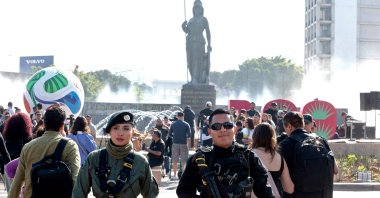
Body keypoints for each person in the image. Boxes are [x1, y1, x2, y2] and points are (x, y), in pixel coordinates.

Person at [177, 108, 274, 197]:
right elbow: (183, 192)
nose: (223, 129)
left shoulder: (248, 156)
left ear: (235, 129)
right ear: (210, 131)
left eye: (228, 125)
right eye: (216, 126)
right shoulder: (199, 159)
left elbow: (265, 192)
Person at [72, 111, 158, 197]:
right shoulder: (93, 158)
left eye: (126, 128)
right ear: (109, 131)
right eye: (116, 128)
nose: (120, 133)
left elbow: (151, 194)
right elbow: (78, 192)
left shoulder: (141, 162)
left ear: (132, 132)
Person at [9, 105, 81, 198]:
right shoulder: (70, 146)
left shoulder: (28, 147)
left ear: (44, 124)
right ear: (62, 126)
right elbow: (76, 180)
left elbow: (17, 182)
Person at [279, 111, 338, 198]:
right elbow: (335, 170)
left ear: (289, 126)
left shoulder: (284, 145)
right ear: (302, 124)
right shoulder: (321, 141)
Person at [250, 123, 294, 197]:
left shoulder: (250, 154)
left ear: (254, 136)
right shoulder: (280, 158)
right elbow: (289, 189)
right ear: (273, 137)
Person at [182, 0, 212, 84]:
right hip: (190, 42)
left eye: (199, 7)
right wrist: (183, 27)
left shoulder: (204, 19)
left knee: (196, 61)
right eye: (196, 7)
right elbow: (187, 30)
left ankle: (195, 79)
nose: (197, 8)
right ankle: (193, 78)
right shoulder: (191, 20)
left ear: (202, 9)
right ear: (193, 9)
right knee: (190, 61)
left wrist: (209, 44)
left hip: (199, 42)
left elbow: (208, 32)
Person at [169, 111, 191, 179]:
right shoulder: (186, 124)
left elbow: (170, 134)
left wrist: (174, 136)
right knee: (184, 160)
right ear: (183, 116)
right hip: (184, 143)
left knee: (175, 160)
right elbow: (189, 136)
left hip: (175, 143)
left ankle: (174, 175)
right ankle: (183, 174)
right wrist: (189, 145)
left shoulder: (173, 124)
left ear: (177, 116)